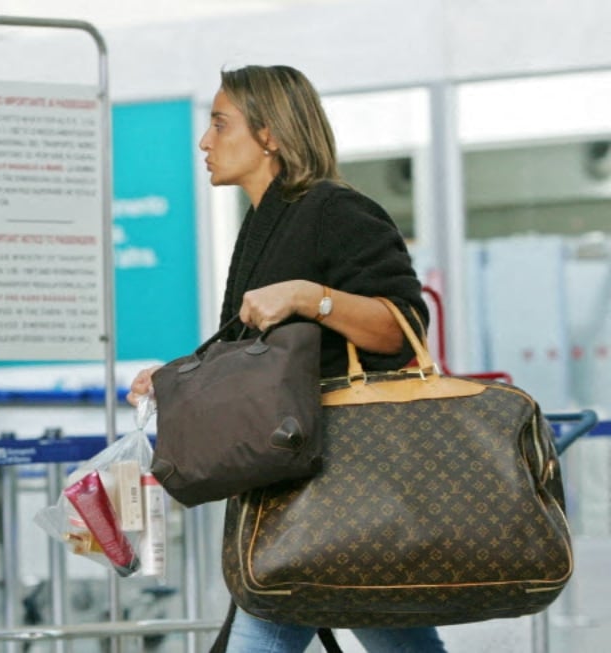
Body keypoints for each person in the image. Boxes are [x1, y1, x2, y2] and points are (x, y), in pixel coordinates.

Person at [126, 65, 445, 652]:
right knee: (396, 637)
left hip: (329, 483)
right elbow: (258, 354)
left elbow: (401, 327)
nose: (205, 141)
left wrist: (308, 296)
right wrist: (173, 378)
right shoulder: (264, 221)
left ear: (270, 135)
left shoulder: (334, 210)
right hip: (315, 492)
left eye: (221, 124)